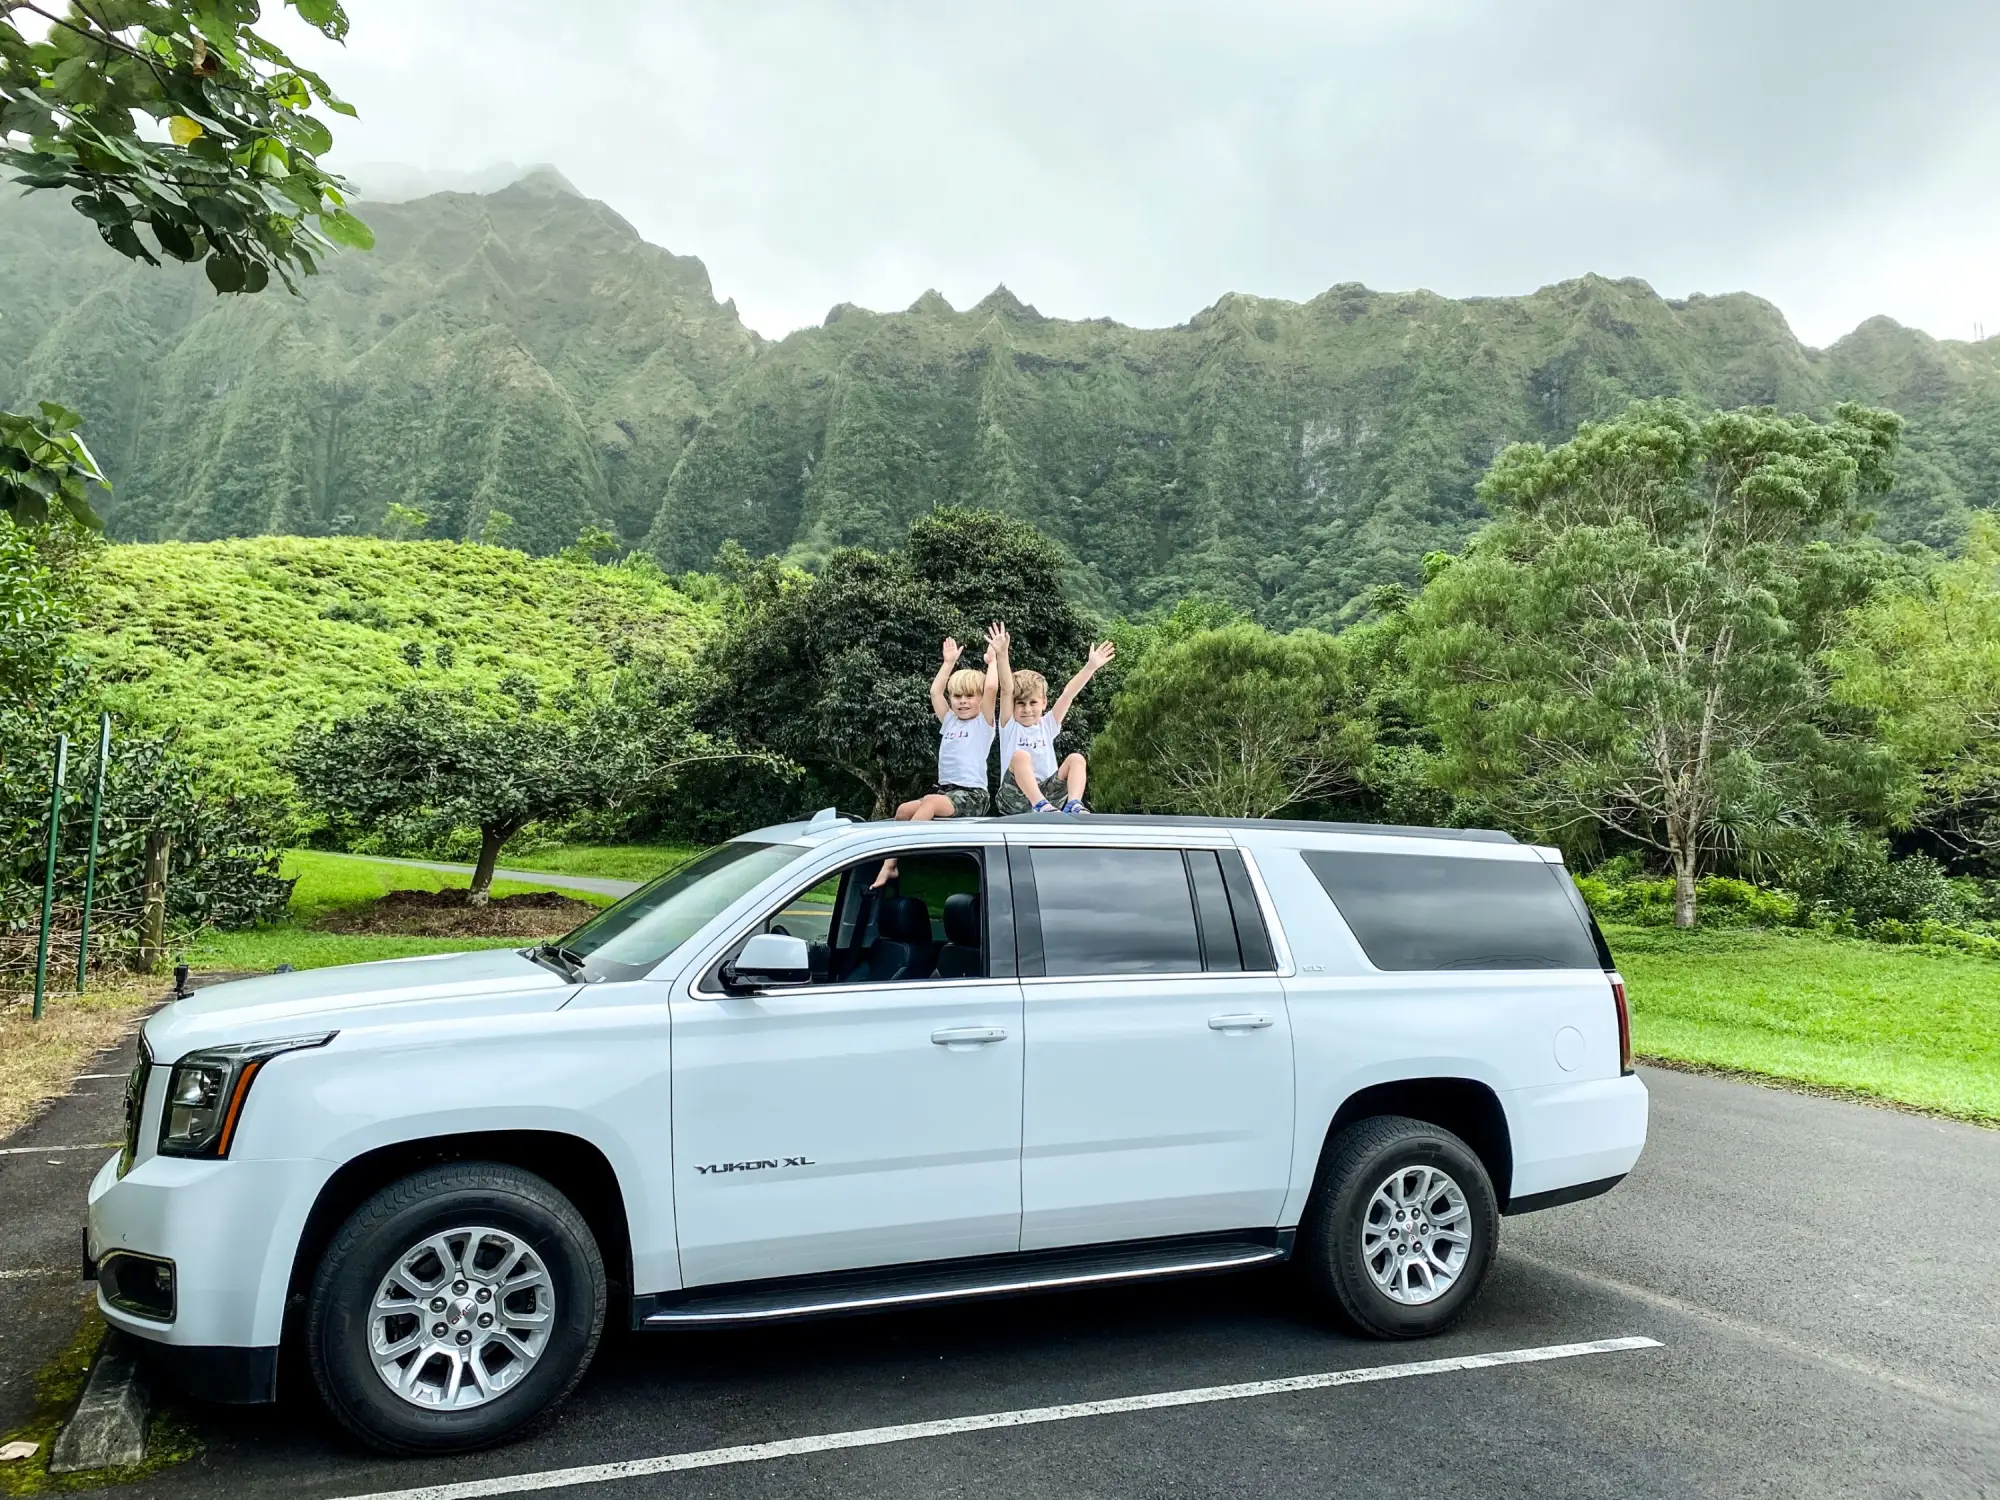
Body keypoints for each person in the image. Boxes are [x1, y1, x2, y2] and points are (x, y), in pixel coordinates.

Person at [872, 624, 1004, 888]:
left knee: (930, 803)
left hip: (972, 795)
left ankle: (889, 864)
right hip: (946, 792)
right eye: (957, 696)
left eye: (969, 696)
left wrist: (993, 661)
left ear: (980, 701)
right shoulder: (950, 721)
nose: (962, 701)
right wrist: (948, 663)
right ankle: (907, 865)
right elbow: (935, 692)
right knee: (903, 810)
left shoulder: (983, 723)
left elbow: (991, 688)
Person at [997, 637, 1115, 814]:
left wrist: (1090, 667)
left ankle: (1074, 804)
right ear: (1012, 705)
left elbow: (1068, 695)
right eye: (1020, 703)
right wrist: (1002, 654)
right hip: (1014, 797)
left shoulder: (1048, 724)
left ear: (1044, 703)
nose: (1027, 709)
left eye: (1033, 703)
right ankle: (1039, 804)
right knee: (1021, 756)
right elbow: (1006, 689)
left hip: (1049, 797)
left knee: (1076, 759)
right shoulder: (1009, 725)